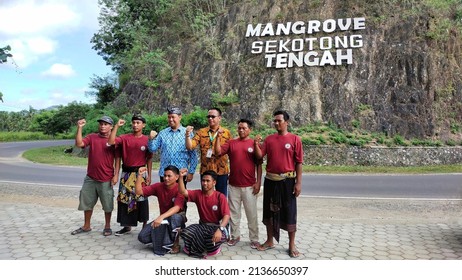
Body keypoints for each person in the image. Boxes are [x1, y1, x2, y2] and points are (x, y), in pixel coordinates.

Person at [254, 110, 303, 258]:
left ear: (286, 122)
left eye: (279, 121)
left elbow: (299, 163)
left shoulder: (295, 139)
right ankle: (269, 241)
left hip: (287, 181)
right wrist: (256, 144)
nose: (276, 123)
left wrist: (298, 183)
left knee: (289, 212)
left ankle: (291, 244)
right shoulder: (269, 140)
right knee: (269, 211)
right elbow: (259, 156)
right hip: (270, 180)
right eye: (274, 121)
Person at [214, 118, 262, 249]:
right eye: (239, 128)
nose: (241, 130)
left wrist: (258, 182)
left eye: (244, 128)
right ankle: (235, 236)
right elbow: (218, 152)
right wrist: (218, 137)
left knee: (251, 214)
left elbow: (259, 163)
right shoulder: (231, 143)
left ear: (249, 130)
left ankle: (254, 238)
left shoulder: (253, 143)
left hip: (249, 186)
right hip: (234, 185)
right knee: (233, 214)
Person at [71, 116, 120, 237]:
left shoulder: (114, 140)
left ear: (111, 127)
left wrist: (116, 175)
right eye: (101, 124)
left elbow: (118, 159)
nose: (103, 126)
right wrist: (79, 128)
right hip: (91, 177)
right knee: (87, 202)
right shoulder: (92, 137)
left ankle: (107, 226)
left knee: (107, 204)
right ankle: (86, 226)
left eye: (106, 124)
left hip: (106, 178)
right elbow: (79, 143)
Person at [108, 114, 153, 236]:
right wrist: (116, 126)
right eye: (133, 122)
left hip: (141, 173)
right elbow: (111, 141)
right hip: (126, 173)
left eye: (138, 123)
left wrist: (149, 175)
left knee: (142, 199)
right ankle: (126, 226)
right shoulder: (124, 138)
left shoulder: (147, 140)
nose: (135, 125)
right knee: (124, 199)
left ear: (143, 125)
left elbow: (149, 159)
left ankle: (144, 225)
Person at [178, 169, 230, 258]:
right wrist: (180, 177)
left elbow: (226, 215)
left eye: (208, 181)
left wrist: (220, 229)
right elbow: (183, 192)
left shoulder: (220, 196)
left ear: (214, 182)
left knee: (218, 238)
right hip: (202, 226)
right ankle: (204, 245)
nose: (205, 183)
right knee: (185, 233)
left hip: (217, 226)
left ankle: (213, 247)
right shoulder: (198, 193)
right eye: (203, 180)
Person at [135, 165, 186, 255]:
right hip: (163, 220)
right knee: (142, 237)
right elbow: (139, 192)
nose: (166, 178)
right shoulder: (158, 186)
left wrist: (160, 217)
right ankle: (163, 240)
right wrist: (139, 176)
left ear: (177, 177)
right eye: (164, 175)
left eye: (169, 176)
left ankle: (176, 243)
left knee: (175, 217)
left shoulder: (180, 189)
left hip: (176, 219)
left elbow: (177, 208)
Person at [185, 107, 231, 196]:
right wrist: (187, 135)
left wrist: (232, 171)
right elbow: (190, 146)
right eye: (208, 116)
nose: (210, 118)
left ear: (219, 118)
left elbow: (231, 152)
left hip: (221, 171)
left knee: (221, 197)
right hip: (206, 170)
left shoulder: (226, 132)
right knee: (206, 197)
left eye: (213, 116)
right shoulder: (201, 132)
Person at [147, 106, 198, 184]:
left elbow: (193, 154)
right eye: (169, 117)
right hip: (165, 174)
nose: (171, 119)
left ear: (180, 117)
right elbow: (152, 149)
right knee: (164, 195)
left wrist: (191, 172)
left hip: (180, 173)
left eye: (173, 117)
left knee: (180, 196)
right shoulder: (162, 133)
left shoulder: (187, 133)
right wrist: (150, 139)